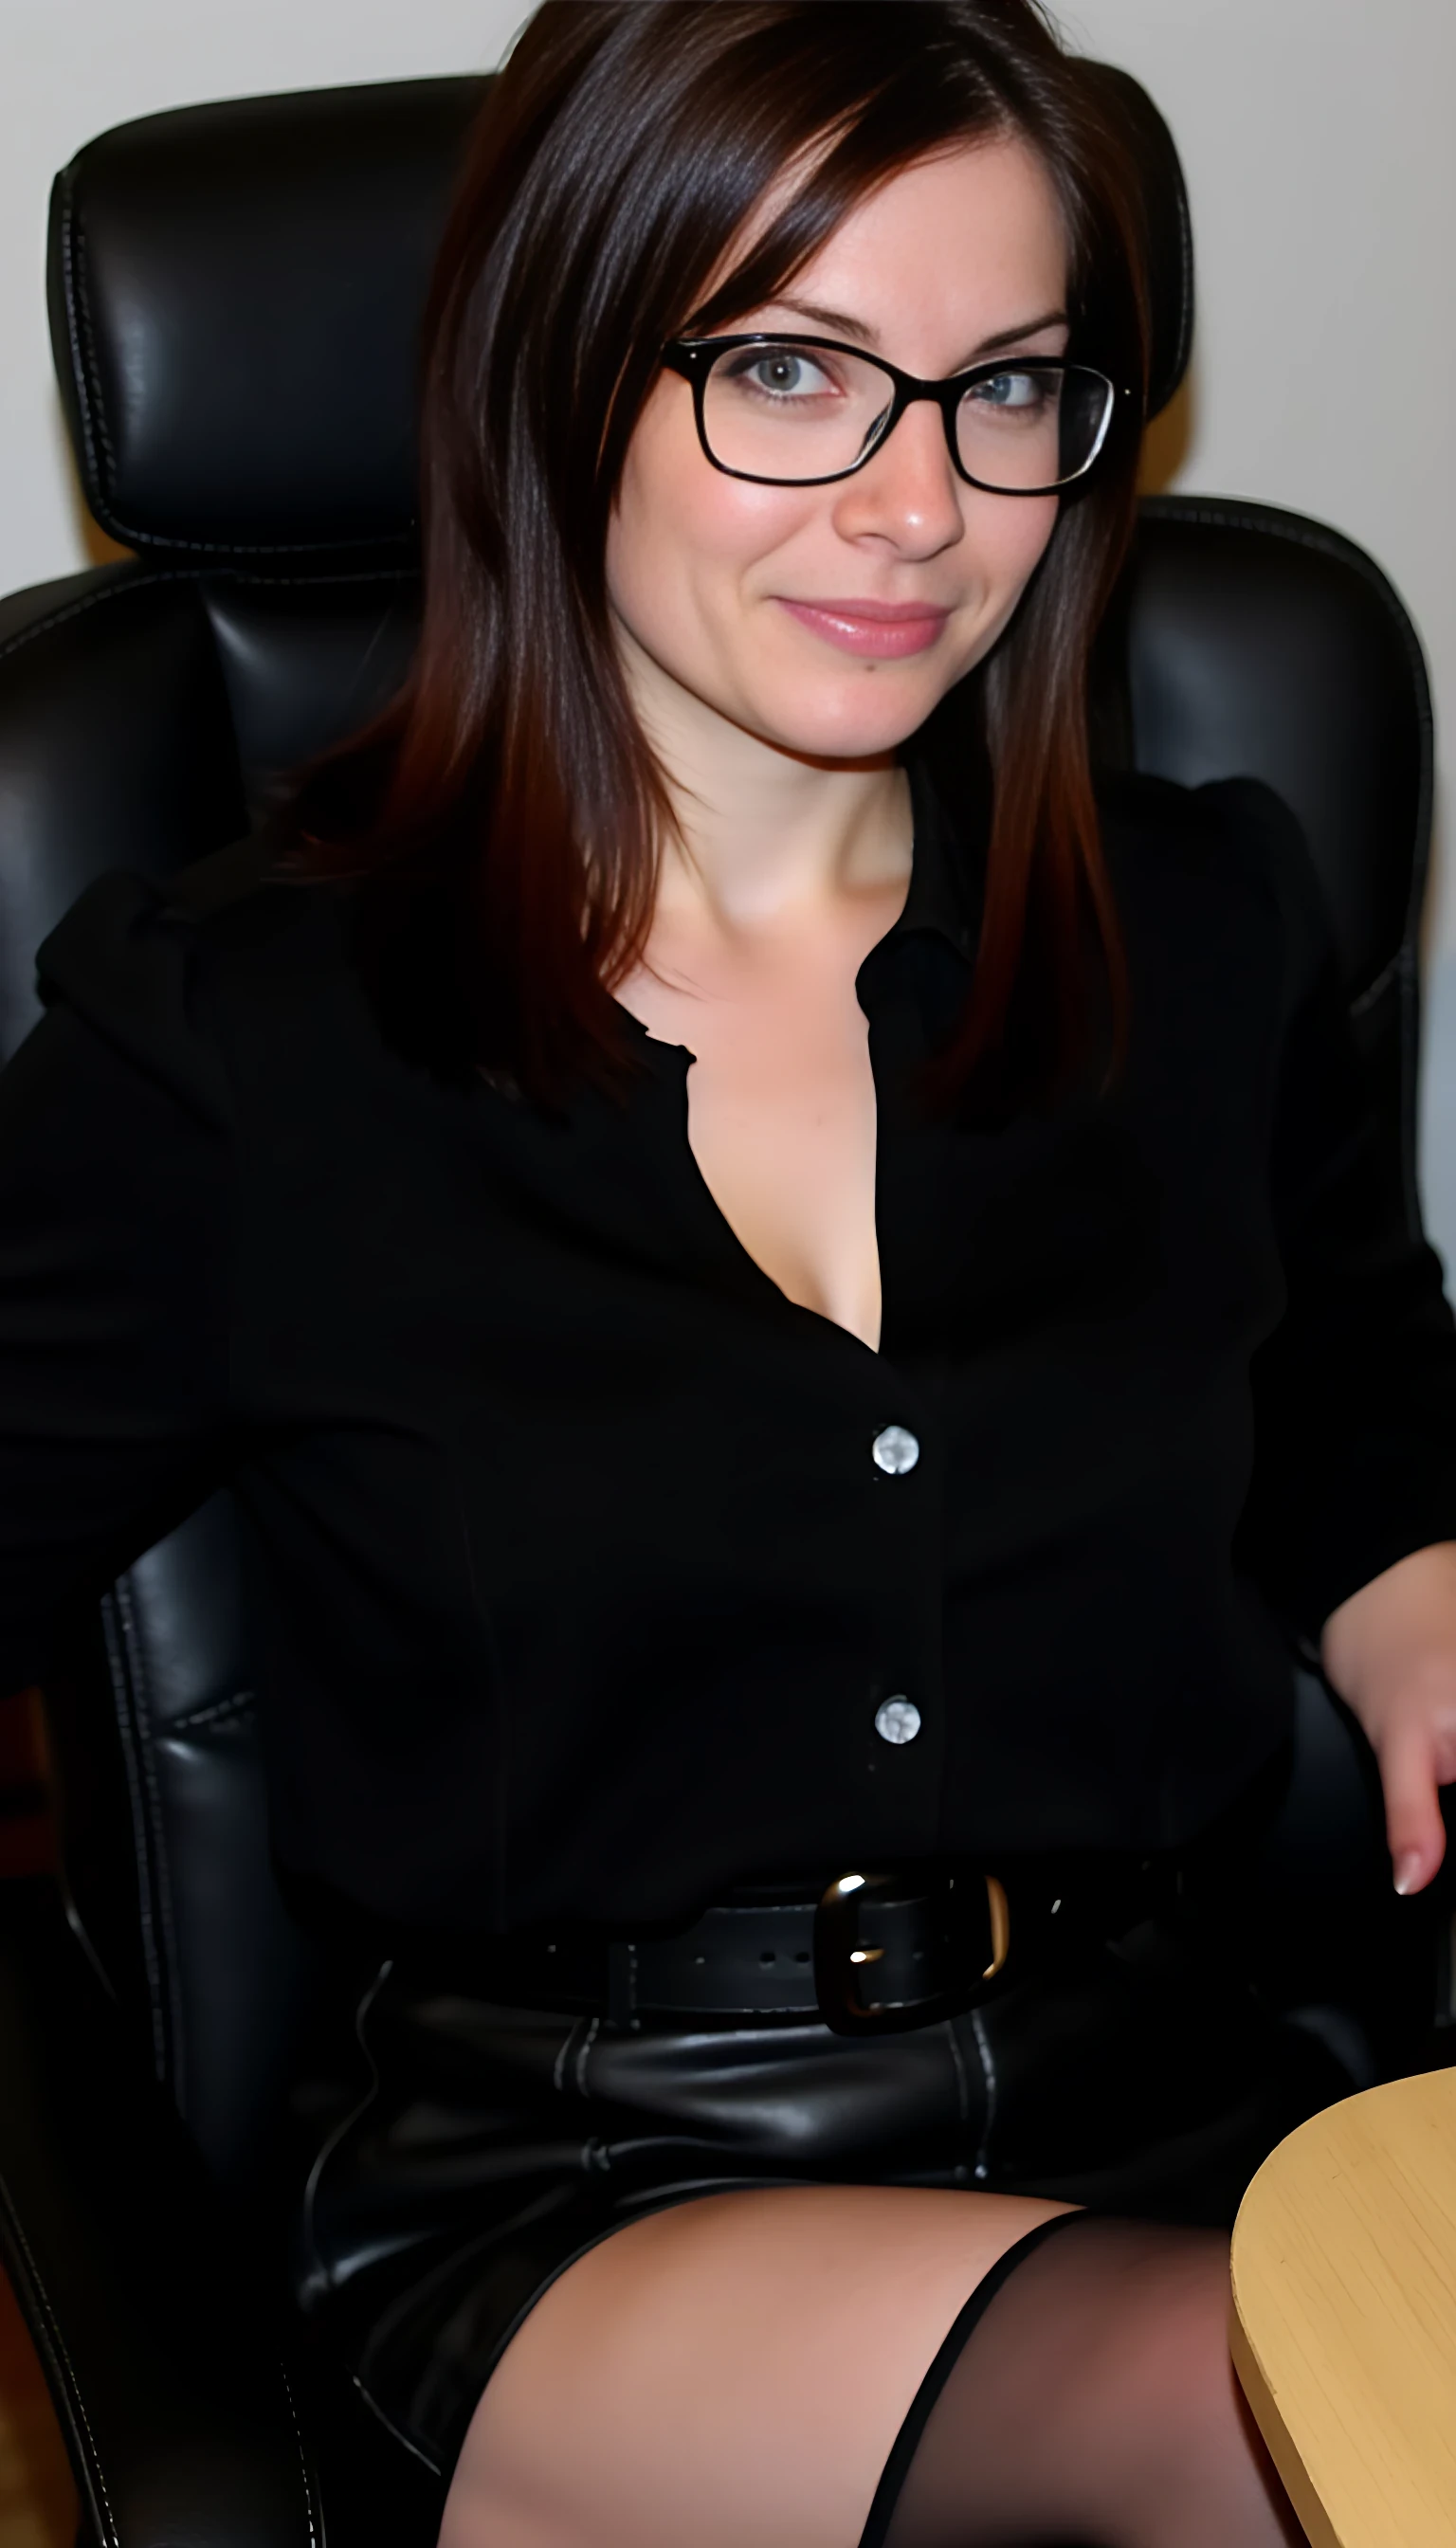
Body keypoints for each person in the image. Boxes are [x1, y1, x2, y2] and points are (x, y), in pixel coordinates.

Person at [4, 1, 1456, 2539]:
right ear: (564, 376)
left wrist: (1425, 1605)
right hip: (595, 2199)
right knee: (1268, 2431)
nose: (918, 505)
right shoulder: (247, 1035)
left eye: (1007, 388)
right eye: (793, 371)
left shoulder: (1205, 927)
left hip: (1175, 2097)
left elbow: (1354, 1400)